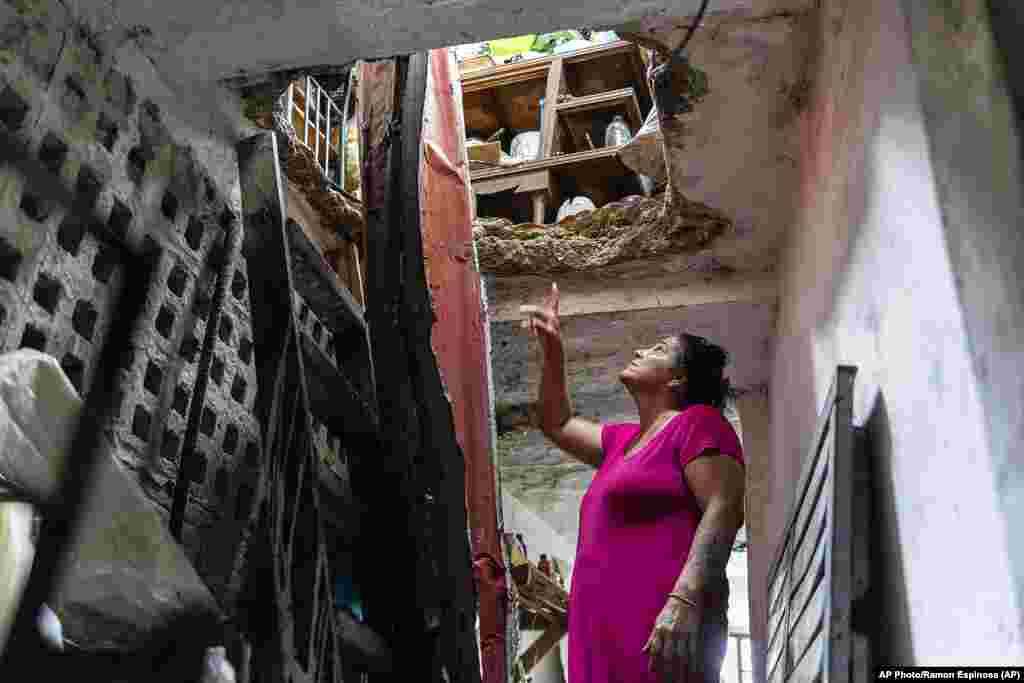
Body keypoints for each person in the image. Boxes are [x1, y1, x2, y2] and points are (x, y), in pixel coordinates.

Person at [520, 283, 745, 683]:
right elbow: (557, 422)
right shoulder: (619, 442)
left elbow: (723, 508)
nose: (640, 351)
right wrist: (553, 351)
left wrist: (684, 600)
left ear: (678, 379)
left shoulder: (697, 424)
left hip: (662, 631)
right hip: (599, 635)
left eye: (658, 349)